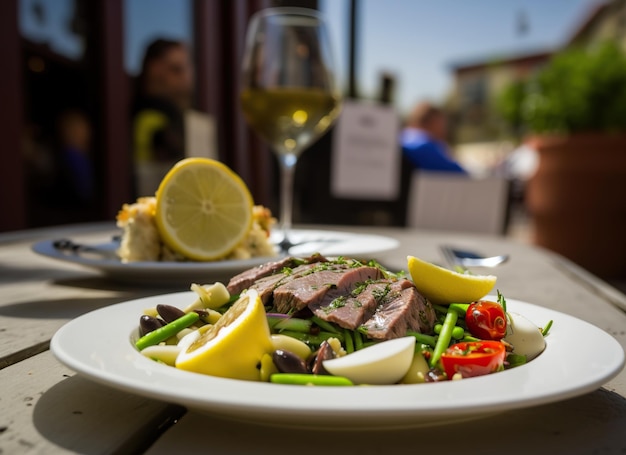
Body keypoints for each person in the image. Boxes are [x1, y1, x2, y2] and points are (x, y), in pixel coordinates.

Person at [131, 38, 194, 196]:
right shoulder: (150, 119)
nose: (186, 78)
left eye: (187, 69)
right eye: (176, 69)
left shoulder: (181, 116)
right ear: (155, 71)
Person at [400, 101, 466, 173]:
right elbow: (460, 175)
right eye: (442, 124)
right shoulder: (424, 146)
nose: (445, 130)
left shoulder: (401, 138)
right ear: (434, 122)